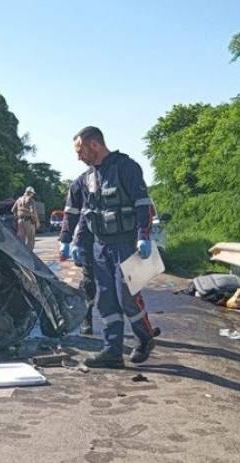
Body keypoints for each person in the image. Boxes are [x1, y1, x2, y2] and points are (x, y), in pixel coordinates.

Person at [72, 126, 158, 368]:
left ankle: (145, 337)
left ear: (95, 145)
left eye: (81, 151)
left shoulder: (126, 167)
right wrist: (77, 242)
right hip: (100, 247)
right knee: (106, 299)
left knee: (127, 298)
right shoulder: (89, 177)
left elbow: (143, 204)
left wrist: (143, 235)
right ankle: (112, 351)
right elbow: (86, 212)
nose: (78, 157)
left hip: (125, 244)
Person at [59, 173, 96, 335]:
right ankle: (86, 318)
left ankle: (143, 330)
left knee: (124, 285)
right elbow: (74, 214)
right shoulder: (81, 182)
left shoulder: (118, 173)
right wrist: (66, 240)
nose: (79, 156)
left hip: (117, 240)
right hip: (89, 240)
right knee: (90, 282)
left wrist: (141, 236)